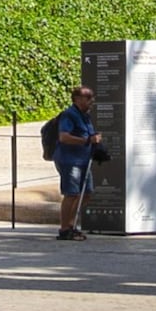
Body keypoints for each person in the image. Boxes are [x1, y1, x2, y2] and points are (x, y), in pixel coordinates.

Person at [47, 83, 107, 239]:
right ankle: (64, 229)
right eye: (88, 98)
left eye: (92, 97)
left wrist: (95, 142)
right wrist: (87, 140)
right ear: (77, 99)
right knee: (71, 194)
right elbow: (64, 137)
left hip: (83, 160)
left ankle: (71, 225)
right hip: (69, 160)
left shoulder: (85, 115)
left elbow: (90, 135)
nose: (91, 100)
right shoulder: (69, 115)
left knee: (86, 194)